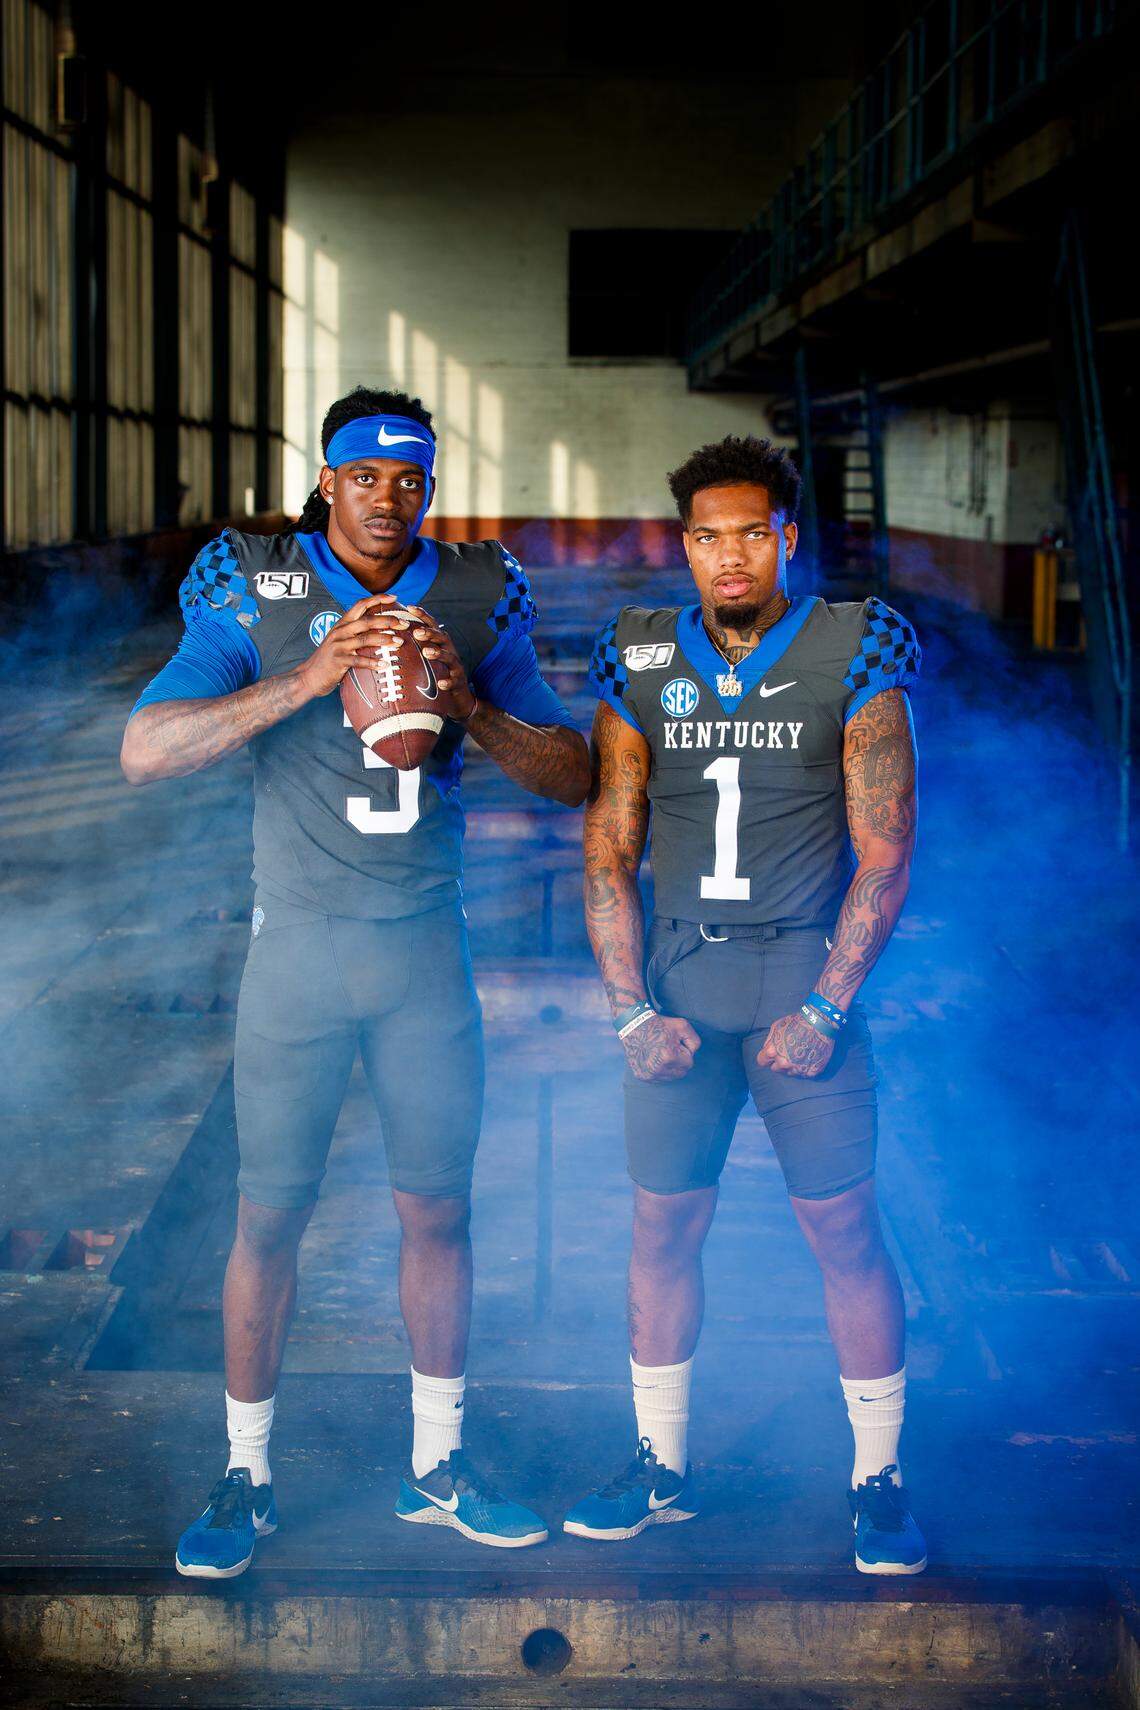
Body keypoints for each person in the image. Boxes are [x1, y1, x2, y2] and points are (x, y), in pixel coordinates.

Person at [121, 386, 589, 1576]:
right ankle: (249, 1476)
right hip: (299, 961)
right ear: (326, 479)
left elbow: (572, 771)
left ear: (431, 483)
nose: (390, 494)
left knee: (437, 1210)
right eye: (365, 474)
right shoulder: (257, 584)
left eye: (411, 475)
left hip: (428, 955)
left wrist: (469, 703)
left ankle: (437, 1465)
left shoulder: (480, 594)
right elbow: (145, 750)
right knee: (267, 1218)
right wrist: (311, 674)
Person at [566, 433, 926, 1575]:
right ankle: (660, 1465)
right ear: (687, 545)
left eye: (750, 534)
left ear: (786, 538)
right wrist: (629, 1009)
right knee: (663, 1226)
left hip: (798, 979)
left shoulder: (853, 647)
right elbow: (609, 849)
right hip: (680, 979)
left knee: (844, 1230)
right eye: (707, 536)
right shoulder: (637, 654)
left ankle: (879, 1479)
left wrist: (824, 1009)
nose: (730, 555)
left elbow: (887, 853)